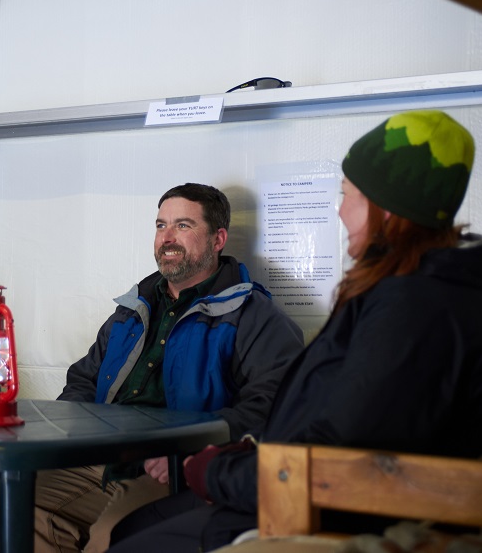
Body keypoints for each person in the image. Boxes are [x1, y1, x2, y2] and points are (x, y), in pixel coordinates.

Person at [105, 110, 482, 552]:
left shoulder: (412, 310)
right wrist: (242, 455)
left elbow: (340, 457)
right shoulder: (423, 296)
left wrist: (214, 469)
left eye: (348, 195)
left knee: (131, 541)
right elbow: (335, 422)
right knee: (132, 530)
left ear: (386, 209)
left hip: (313, 515)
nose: (340, 211)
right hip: (283, 485)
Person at [34, 183, 305, 553]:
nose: (168, 238)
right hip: (99, 459)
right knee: (17, 510)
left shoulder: (254, 317)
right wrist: (73, 436)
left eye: (183, 226)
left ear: (218, 238)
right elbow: (84, 378)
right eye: (161, 226)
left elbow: (273, 408)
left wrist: (192, 451)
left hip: (171, 468)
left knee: (110, 540)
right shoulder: (133, 309)